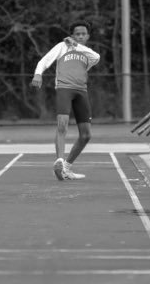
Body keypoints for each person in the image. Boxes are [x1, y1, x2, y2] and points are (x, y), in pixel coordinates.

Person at [30, 20, 100, 180]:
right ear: (72, 35)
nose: (80, 36)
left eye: (83, 34)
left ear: (88, 36)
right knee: (62, 125)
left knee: (86, 135)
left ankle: (66, 167)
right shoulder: (61, 47)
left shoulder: (88, 53)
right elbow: (45, 60)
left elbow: (97, 57)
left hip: (82, 91)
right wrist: (38, 74)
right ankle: (59, 161)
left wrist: (76, 45)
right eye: (77, 34)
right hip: (64, 88)